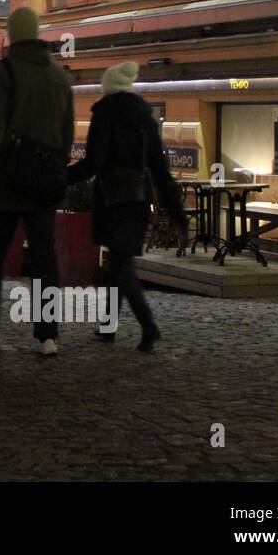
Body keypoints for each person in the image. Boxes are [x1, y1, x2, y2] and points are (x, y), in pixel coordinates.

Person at [0, 7, 73, 356]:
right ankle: (47, 335)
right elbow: (66, 132)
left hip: (7, 178)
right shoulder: (59, 76)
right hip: (44, 179)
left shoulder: (2, 71)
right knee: (44, 257)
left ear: (11, 35)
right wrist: (55, 166)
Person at [66, 61, 187, 352]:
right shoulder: (145, 117)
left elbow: (92, 163)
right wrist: (177, 211)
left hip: (113, 198)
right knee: (117, 263)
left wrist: (59, 179)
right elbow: (160, 169)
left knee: (121, 266)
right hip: (138, 197)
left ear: (107, 88)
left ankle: (148, 326)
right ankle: (108, 327)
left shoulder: (105, 114)